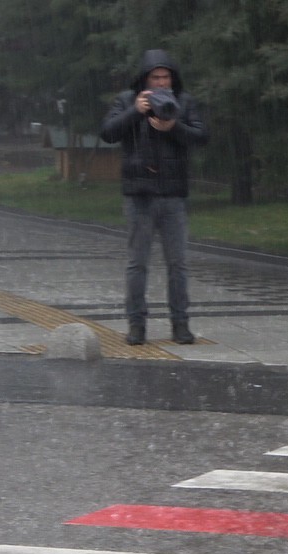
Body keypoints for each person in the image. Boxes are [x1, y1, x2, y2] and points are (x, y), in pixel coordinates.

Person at [100, 49, 210, 346]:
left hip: (173, 195)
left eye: (166, 78)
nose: (162, 84)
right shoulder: (127, 100)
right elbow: (108, 133)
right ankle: (136, 325)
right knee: (138, 264)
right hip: (139, 197)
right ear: (144, 80)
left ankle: (180, 324)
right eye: (155, 78)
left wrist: (174, 127)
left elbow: (202, 137)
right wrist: (136, 111)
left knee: (178, 264)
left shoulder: (184, 102)